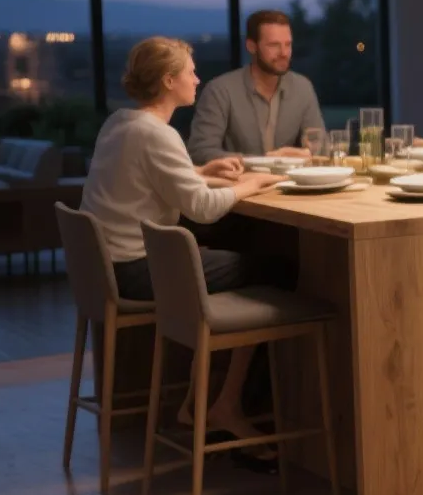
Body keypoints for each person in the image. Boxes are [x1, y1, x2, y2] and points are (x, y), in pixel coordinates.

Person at [80, 37, 285, 453]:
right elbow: (203, 209)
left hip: (107, 268)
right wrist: (249, 184)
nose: (197, 77)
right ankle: (225, 406)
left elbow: (155, 175)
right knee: (275, 270)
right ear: (169, 80)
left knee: (250, 261)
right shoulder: (158, 134)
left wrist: (201, 169)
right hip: (138, 270)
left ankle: (201, 401)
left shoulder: (121, 123)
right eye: (190, 71)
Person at [187, 10, 325, 164]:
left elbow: (320, 147)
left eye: (288, 44)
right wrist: (265, 161)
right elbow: (200, 152)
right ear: (252, 46)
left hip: (291, 184)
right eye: (274, 45)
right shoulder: (220, 90)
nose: (284, 53)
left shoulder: (302, 87)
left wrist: (306, 153)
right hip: (239, 184)